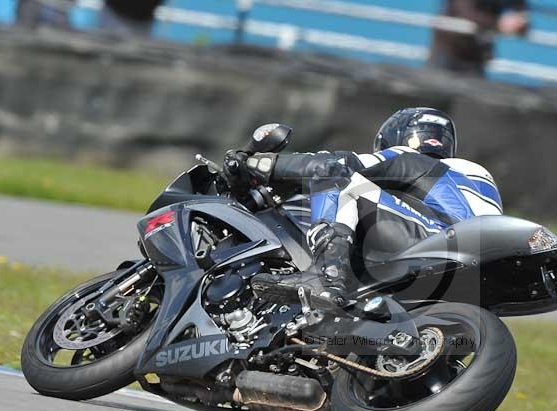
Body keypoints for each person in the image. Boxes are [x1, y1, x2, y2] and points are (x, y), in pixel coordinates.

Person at [224, 108, 503, 304]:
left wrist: (257, 163)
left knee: (335, 177)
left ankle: (327, 276)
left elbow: (335, 166)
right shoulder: (473, 175)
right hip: (476, 272)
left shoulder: (410, 157)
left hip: (439, 244)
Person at [430, 0, 529, 76]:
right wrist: (499, 24)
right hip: (449, 51)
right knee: (435, 95)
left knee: (471, 96)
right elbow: (464, 13)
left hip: (476, 56)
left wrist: (520, 20)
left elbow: (521, 11)